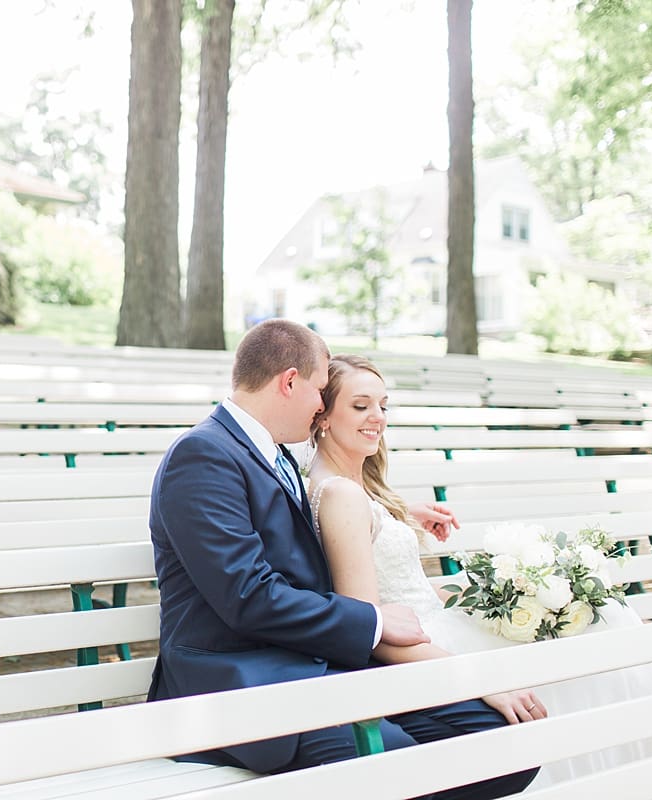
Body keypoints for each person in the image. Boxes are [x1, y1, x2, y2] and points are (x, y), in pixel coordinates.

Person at [146, 319, 538, 800]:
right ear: (289, 382)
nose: (319, 407)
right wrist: (373, 622)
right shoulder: (203, 456)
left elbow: (320, 519)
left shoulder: (277, 455)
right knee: (389, 758)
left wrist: (391, 515)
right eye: (317, 390)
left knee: (505, 743)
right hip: (239, 682)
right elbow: (247, 596)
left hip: (316, 663)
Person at [307, 353, 652, 796]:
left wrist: (503, 585)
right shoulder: (341, 493)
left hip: (434, 619)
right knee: (604, 630)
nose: (377, 417)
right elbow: (370, 626)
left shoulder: (351, 486)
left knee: (603, 619)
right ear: (322, 415)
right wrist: (483, 680)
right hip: (429, 645)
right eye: (361, 406)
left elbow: (387, 565)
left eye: (383, 405)